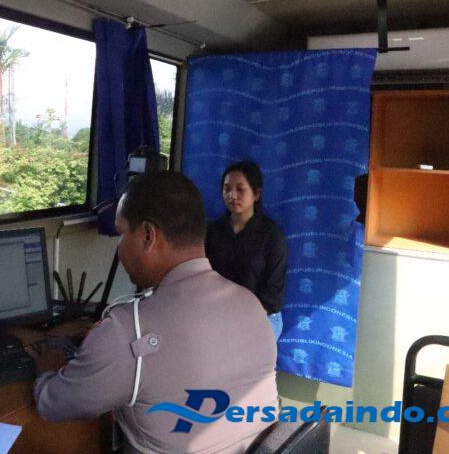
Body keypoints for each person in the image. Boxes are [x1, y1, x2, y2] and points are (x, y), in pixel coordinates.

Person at [27, 171, 278, 453]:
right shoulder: (250, 304)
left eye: (122, 234)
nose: (119, 248)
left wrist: (47, 368)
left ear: (148, 235)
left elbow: (54, 405)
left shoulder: (127, 330)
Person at [205, 161, 287, 340]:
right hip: (219, 312)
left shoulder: (271, 235)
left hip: (261, 316)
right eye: (227, 189)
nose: (232, 195)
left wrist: (242, 320)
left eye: (240, 189)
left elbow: (273, 294)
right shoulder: (213, 230)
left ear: (256, 194)